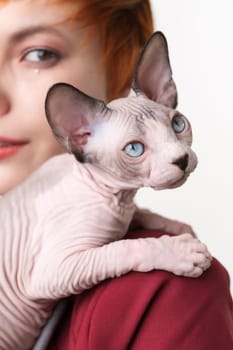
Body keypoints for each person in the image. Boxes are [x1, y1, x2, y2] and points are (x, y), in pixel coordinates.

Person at [0, 1, 232, 349]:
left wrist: (149, 222)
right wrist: (155, 252)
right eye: (135, 148)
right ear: (80, 136)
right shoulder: (78, 190)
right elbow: (46, 280)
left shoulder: (80, 181)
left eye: (39, 53)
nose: (177, 153)